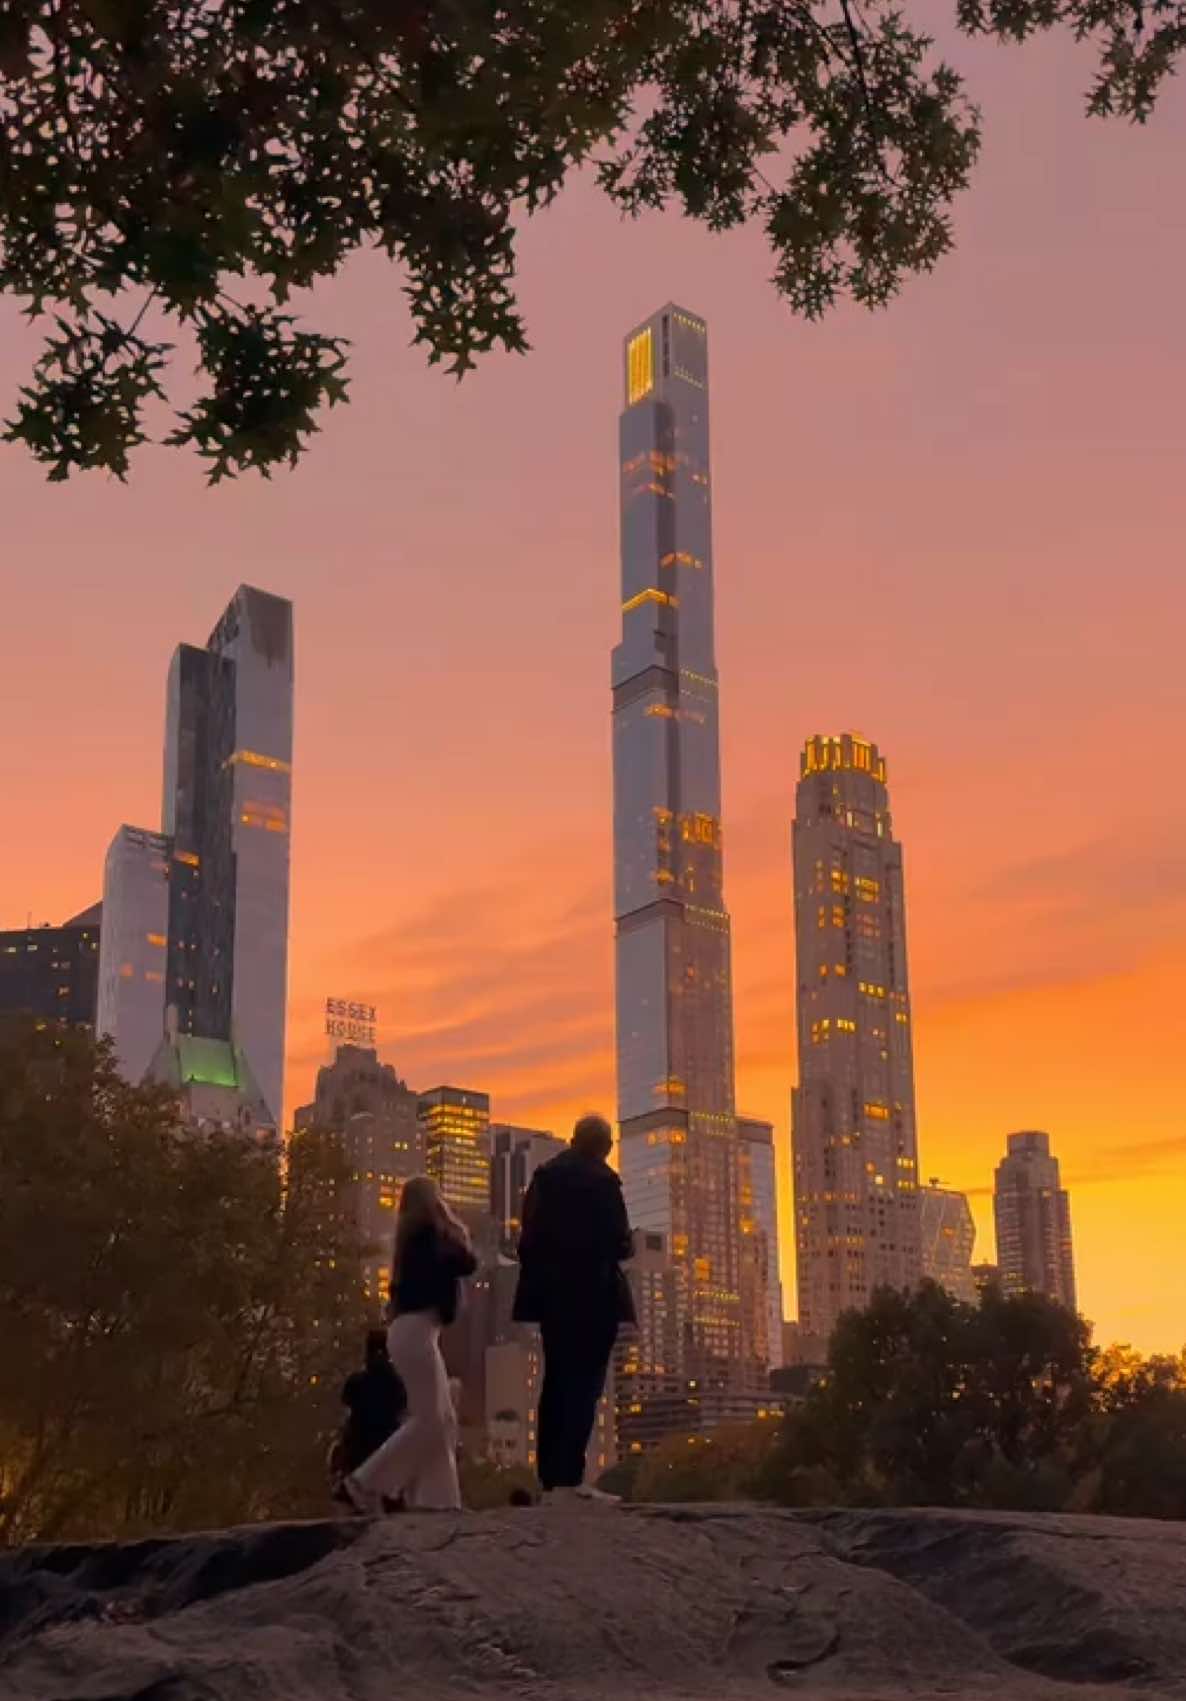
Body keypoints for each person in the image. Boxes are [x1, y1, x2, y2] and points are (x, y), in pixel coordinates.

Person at [513, 1112, 635, 1503]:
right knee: (587, 1384)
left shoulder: (544, 1178)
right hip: (594, 1297)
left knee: (556, 1381)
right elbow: (621, 1243)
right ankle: (572, 1477)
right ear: (605, 1148)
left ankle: (550, 1478)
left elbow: (526, 1240)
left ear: (572, 1138)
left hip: (552, 1299)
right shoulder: (604, 1182)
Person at [341, 1176, 477, 1514]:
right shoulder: (429, 1235)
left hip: (414, 1332)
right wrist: (451, 1221)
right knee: (430, 1418)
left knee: (442, 1418)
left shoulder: (412, 1241)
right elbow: (466, 1261)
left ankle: (438, 1500)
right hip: (416, 1332)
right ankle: (365, 1482)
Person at [330, 1329, 408, 1509]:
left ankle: (344, 1485)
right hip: (387, 1447)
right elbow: (402, 1410)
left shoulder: (356, 1382)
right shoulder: (396, 1382)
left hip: (358, 1446)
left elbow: (347, 1408)